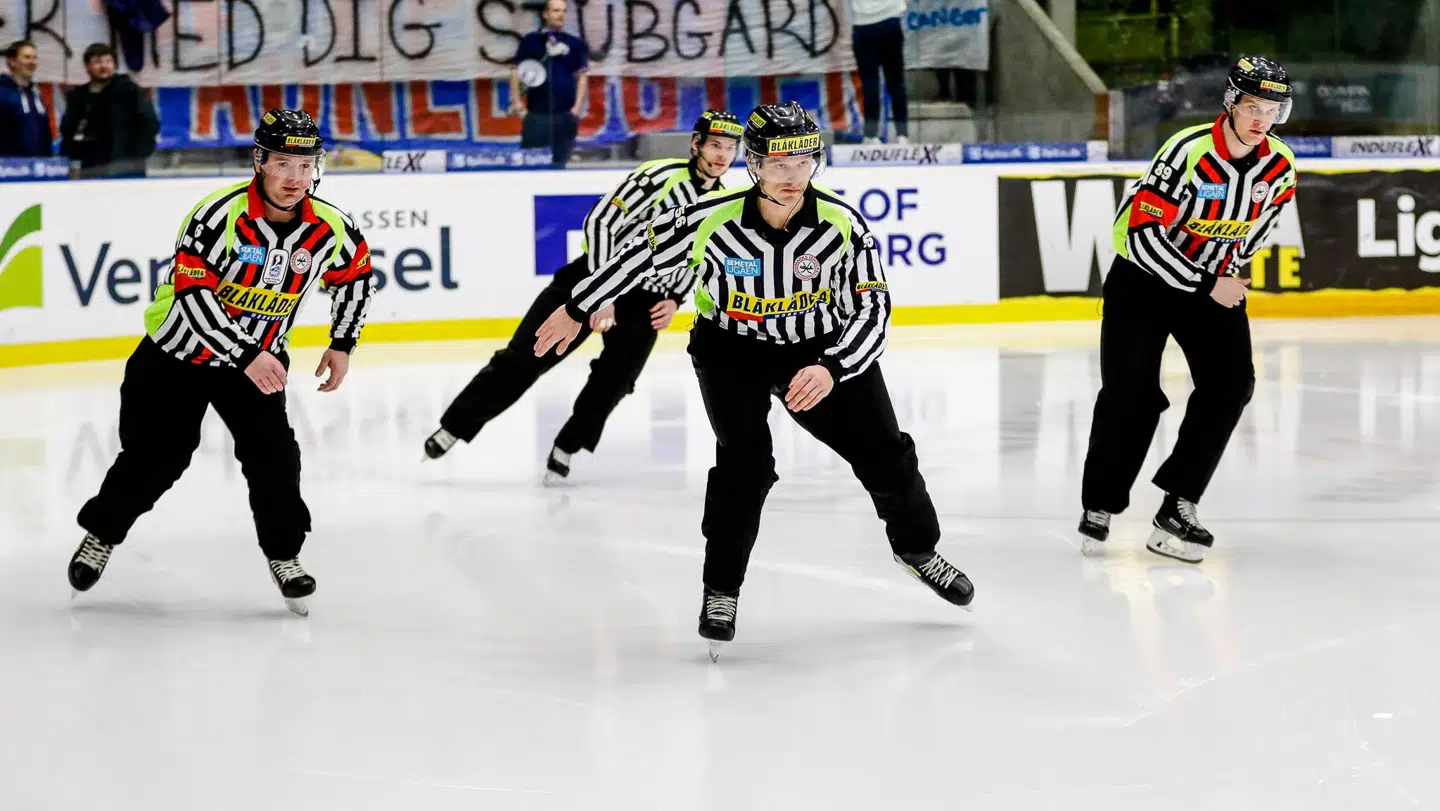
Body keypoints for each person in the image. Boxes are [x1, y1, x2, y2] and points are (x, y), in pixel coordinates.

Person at [534, 101, 974, 660]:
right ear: (755, 164)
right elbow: (636, 258)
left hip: (817, 350)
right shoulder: (709, 216)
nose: (793, 178)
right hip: (730, 351)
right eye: (779, 165)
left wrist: (832, 366)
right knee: (744, 467)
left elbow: (873, 311)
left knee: (885, 455)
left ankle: (917, 550)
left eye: (805, 163)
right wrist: (577, 306)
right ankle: (721, 590)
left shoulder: (843, 225)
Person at [69, 109, 377, 616]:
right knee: (155, 459)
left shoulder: (331, 227)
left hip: (258, 362)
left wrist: (343, 342)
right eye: (283, 163)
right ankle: (102, 533)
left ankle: (285, 555)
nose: (295, 178)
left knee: (276, 457)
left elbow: (357, 278)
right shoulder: (216, 215)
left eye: (305, 166)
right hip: (175, 358)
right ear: (260, 162)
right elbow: (193, 297)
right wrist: (245, 355)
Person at [425, 110, 743, 482]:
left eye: (730, 148)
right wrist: (601, 292)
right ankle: (455, 426)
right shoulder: (658, 176)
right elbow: (601, 221)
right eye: (715, 145)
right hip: (592, 277)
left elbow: (699, 255)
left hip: (644, 302)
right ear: (696, 144)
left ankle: (568, 445)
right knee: (528, 354)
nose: (722, 155)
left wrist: (676, 296)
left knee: (617, 377)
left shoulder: (722, 202)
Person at [1076, 55, 1297, 564]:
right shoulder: (1187, 152)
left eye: (1274, 110)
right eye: (1253, 106)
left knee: (1231, 384)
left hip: (1210, 284)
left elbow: (1262, 224)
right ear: (1231, 104)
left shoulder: (1280, 164)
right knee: (1131, 396)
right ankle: (1101, 506)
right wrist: (1206, 285)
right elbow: (1141, 234)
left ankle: (1178, 504)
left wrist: (1234, 271)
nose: (1262, 119)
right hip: (1143, 283)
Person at [59, 43, 160, 178]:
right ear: (87, 67)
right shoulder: (78, 96)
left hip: (126, 166)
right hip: (90, 167)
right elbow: (68, 129)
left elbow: (149, 123)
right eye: (97, 62)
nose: (103, 66)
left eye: (108, 61)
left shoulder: (130, 90)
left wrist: (138, 155)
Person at [509, 0, 589, 167]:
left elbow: (582, 75)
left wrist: (576, 109)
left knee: (561, 163)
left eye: (564, 11)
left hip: (565, 115)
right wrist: (518, 103)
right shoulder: (531, 41)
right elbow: (515, 70)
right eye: (556, 11)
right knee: (533, 163)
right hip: (537, 114)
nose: (561, 15)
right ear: (545, 14)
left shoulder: (575, 43)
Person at [849, 0, 909, 144]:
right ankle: (902, 135)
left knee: (870, 83)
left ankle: (871, 135)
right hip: (890, 20)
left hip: (864, 24)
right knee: (896, 82)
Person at [0, 40, 53, 158]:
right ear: (12, 61)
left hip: (39, 167)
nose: (32, 62)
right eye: (27, 57)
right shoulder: (2, 92)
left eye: (34, 58)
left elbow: (45, 133)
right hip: (8, 169)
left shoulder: (36, 95)